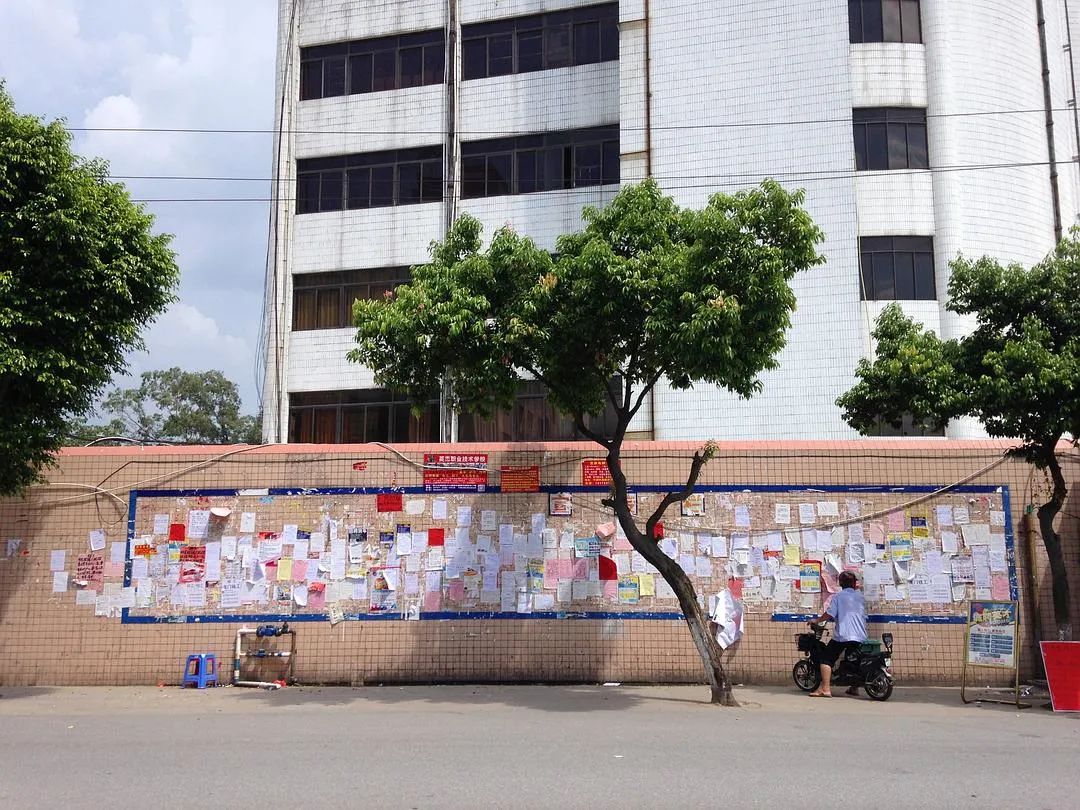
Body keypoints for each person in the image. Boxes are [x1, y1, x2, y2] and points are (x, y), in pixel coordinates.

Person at [807, 570, 866, 697]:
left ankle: (825, 688)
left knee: (826, 659)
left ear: (840, 583)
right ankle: (854, 688)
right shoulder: (860, 596)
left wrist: (816, 620)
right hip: (860, 635)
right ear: (854, 583)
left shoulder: (839, 597)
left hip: (843, 635)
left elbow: (829, 614)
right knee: (854, 660)